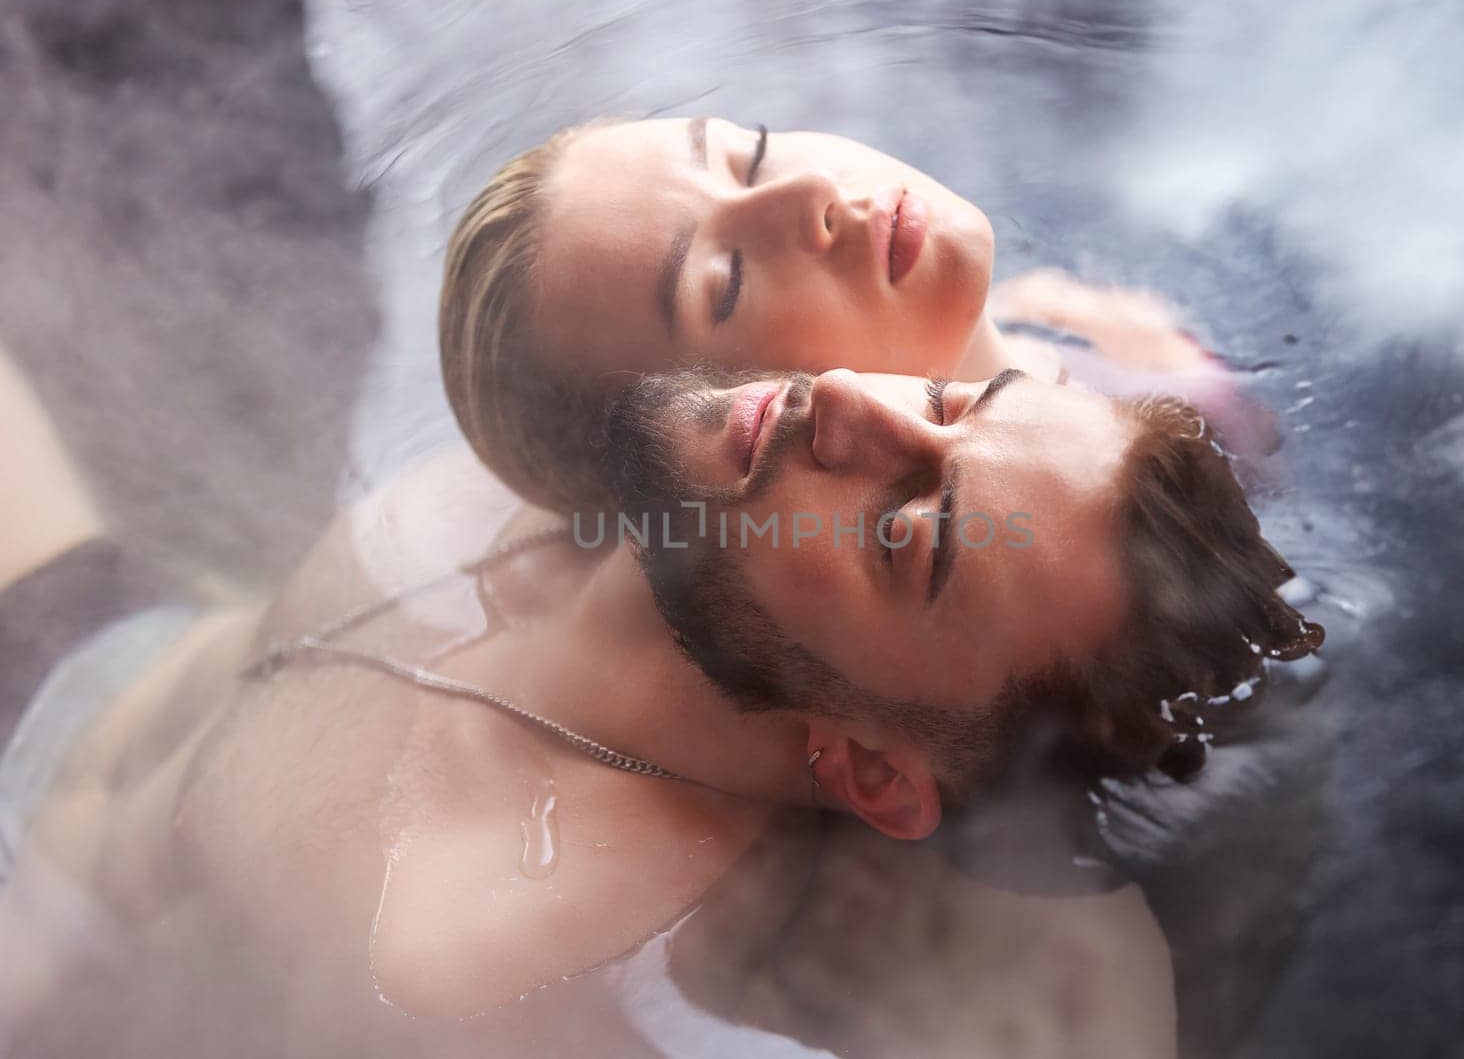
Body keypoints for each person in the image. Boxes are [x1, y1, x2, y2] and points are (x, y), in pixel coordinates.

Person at [0, 324, 1319, 1056]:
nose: (852, 395)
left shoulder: (483, 972)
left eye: (906, 530)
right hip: (105, 644)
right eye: (958, 393)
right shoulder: (723, 436)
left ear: (867, 765)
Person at [439, 114, 1279, 515]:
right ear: (742, 432)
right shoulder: (1092, 544)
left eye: (750, 153)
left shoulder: (1072, 317)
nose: (809, 193)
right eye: (726, 281)